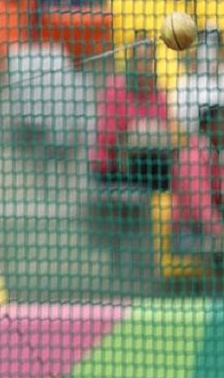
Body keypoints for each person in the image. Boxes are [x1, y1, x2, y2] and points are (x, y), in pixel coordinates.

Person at [90, 36, 173, 191]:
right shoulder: (116, 88)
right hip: (113, 168)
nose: (145, 65)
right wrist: (134, 135)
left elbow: (166, 133)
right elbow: (107, 137)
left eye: (149, 60)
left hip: (148, 167)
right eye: (141, 60)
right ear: (132, 62)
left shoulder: (158, 94)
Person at [170, 101, 224, 272]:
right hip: (190, 234)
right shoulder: (192, 157)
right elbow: (201, 207)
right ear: (208, 126)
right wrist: (220, 232)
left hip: (209, 231)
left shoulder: (213, 155)